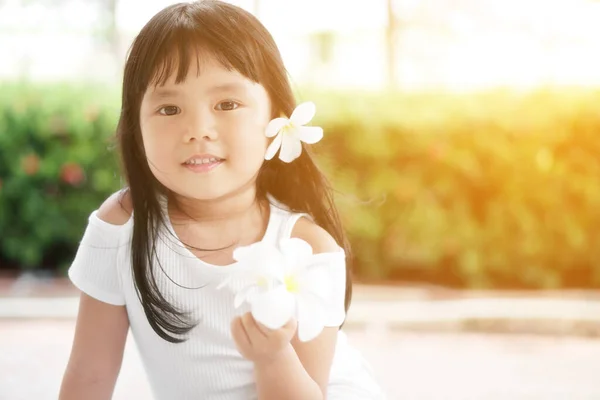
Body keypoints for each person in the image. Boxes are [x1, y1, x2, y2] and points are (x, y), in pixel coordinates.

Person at [58, 1, 384, 399]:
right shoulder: (122, 227)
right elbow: (89, 376)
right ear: (135, 126)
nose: (197, 130)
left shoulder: (308, 249)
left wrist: (271, 356)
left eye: (226, 105)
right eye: (169, 108)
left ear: (276, 120)